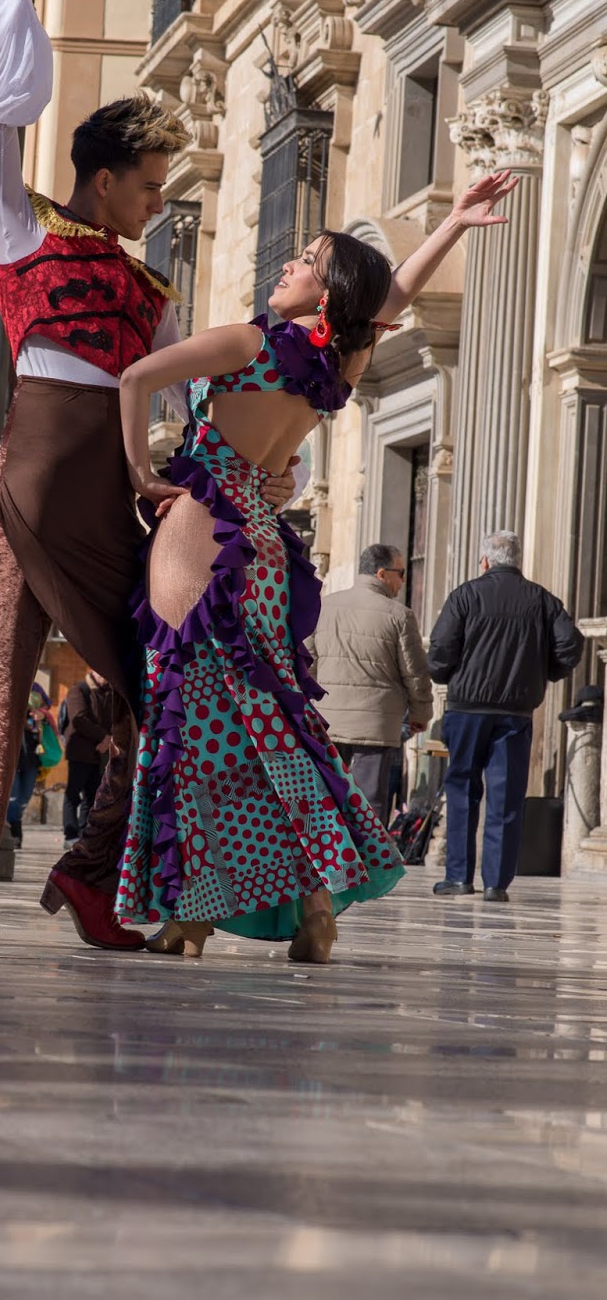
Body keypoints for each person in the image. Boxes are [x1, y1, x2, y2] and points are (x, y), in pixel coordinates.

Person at [0, 0, 297, 947]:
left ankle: (92, 879)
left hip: (109, 500)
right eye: (150, 185)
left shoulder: (152, 290)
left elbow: (182, 407)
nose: (159, 202)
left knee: (159, 688)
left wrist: (251, 467)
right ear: (104, 176)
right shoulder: (23, 226)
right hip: (28, 491)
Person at [115, 169, 519, 963]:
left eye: (305, 260)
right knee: (272, 723)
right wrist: (455, 225)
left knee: (192, 723)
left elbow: (134, 379)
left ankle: (193, 916)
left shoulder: (251, 342)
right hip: (265, 539)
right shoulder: (338, 367)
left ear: (325, 294)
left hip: (203, 531)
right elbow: (388, 299)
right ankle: (310, 902)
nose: (289, 265)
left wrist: (140, 476)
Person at [428, 531, 583, 902]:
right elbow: (570, 645)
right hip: (516, 711)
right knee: (507, 794)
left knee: (462, 788)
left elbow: (440, 650)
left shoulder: (465, 595)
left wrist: (446, 675)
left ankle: (459, 877)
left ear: (485, 561)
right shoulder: (541, 599)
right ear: (517, 562)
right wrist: (543, 674)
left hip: (467, 709)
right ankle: (497, 883)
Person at [305, 543, 432, 826]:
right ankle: (367, 864)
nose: (403, 582)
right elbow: (415, 673)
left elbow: (306, 662)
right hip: (376, 726)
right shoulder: (400, 616)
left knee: (327, 796)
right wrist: (421, 714)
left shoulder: (325, 606)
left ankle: (330, 861)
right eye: (400, 573)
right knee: (369, 801)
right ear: (382, 573)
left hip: (328, 721)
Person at [62, 672, 116, 844]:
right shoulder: (79, 689)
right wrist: (104, 737)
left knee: (92, 796)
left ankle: (84, 834)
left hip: (100, 754)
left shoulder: (111, 692)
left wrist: (108, 740)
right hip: (80, 752)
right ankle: (70, 834)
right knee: (73, 794)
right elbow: (79, 718)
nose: (105, 676)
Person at [8, 684, 60, 848]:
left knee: (25, 798)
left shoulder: (35, 687)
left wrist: (41, 715)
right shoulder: (8, 685)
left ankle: (13, 827)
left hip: (32, 755)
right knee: (13, 798)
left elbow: (46, 705)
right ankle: (14, 834)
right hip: (11, 755)